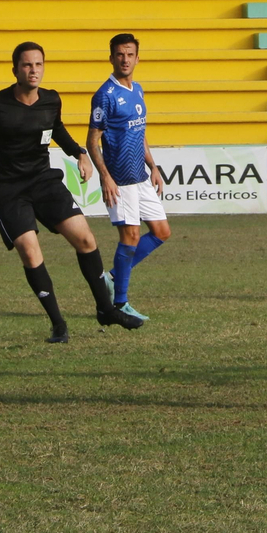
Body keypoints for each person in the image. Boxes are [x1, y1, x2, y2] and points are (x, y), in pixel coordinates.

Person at [0, 42, 142, 341]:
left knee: (86, 239)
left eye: (38, 65)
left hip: (43, 181)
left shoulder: (51, 99)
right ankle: (58, 324)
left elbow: (56, 128)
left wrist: (79, 153)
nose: (33, 70)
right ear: (15, 70)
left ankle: (106, 310)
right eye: (27, 65)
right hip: (8, 189)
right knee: (30, 251)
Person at [86, 33, 172, 323]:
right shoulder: (105, 95)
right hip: (120, 179)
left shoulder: (138, 90)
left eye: (130, 54)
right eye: (120, 55)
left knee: (161, 232)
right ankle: (120, 303)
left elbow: (140, 131)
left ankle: (112, 277)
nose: (125, 59)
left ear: (137, 58)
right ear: (111, 58)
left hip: (141, 176)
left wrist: (153, 166)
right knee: (131, 237)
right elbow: (92, 142)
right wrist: (106, 177)